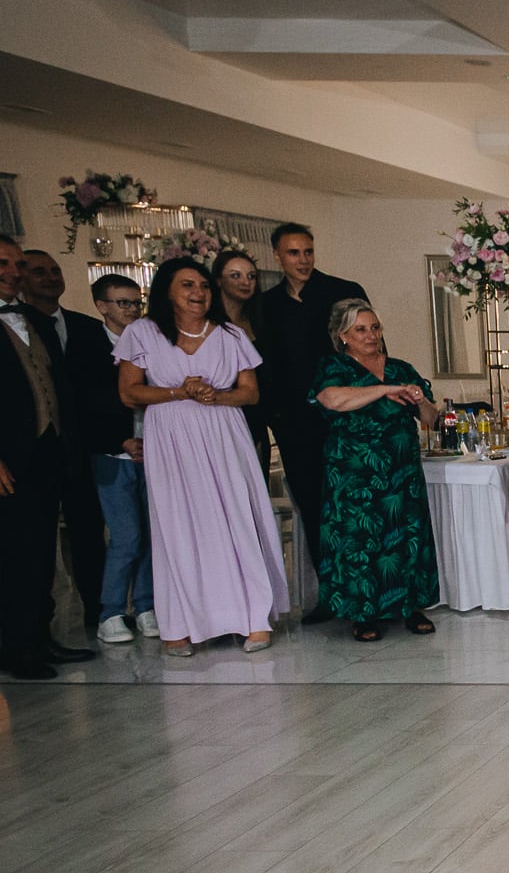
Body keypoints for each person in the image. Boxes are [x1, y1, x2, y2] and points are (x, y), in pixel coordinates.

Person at [116, 257, 288, 656]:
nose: (198, 292)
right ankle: (181, 625)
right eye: (188, 285)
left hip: (224, 433)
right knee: (179, 525)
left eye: (204, 286)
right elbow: (128, 392)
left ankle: (251, 618)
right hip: (171, 437)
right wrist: (179, 391)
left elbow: (251, 393)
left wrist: (216, 395)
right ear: (167, 291)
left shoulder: (230, 334)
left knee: (234, 519)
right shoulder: (142, 333)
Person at [255, 223, 367, 623]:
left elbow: (370, 349)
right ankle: (331, 595)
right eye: (293, 253)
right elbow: (263, 363)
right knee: (314, 508)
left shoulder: (343, 291)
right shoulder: (266, 304)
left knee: (353, 503)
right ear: (277, 256)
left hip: (344, 419)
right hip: (295, 424)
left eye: (307, 251)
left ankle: (367, 591)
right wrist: (276, 416)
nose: (302, 260)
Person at [310, 299, 440, 643]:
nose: (371, 335)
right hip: (356, 474)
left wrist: (420, 401)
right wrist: (384, 390)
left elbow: (432, 419)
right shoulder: (334, 367)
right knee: (359, 540)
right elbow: (332, 400)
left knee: (407, 535)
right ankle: (362, 613)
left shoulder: (400, 368)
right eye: (361, 330)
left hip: (402, 472)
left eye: (375, 328)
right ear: (343, 336)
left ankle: (411, 606)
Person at [0, 237, 95, 678]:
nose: (12, 271)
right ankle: (16, 647)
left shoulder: (34, 319)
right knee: (13, 554)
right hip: (9, 460)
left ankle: (41, 637)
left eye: (18, 264)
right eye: (3, 263)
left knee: (41, 552)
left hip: (49, 451)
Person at [18, 249, 109, 639]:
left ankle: (98, 610)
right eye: (39, 271)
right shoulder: (17, 326)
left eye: (55, 270)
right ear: (23, 279)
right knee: (35, 539)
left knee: (89, 530)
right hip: (35, 448)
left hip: (83, 446)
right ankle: (39, 624)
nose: (51, 277)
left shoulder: (88, 328)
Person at [82, 275, 155, 645]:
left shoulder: (150, 342)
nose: (131, 310)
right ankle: (110, 612)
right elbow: (85, 404)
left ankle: (145, 606)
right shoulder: (90, 347)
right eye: (123, 303)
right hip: (114, 453)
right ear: (102, 306)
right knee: (127, 536)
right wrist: (120, 440)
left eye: (136, 302)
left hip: (152, 451)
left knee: (152, 535)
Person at [214, 249, 269, 470]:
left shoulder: (261, 320)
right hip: (221, 414)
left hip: (257, 414)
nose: (245, 282)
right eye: (235, 275)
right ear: (218, 280)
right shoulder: (208, 325)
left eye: (251, 276)